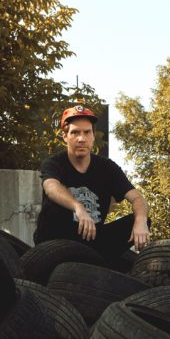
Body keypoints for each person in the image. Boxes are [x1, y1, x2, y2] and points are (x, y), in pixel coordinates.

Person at [34, 105, 150, 259]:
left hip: (91, 242)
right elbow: (51, 187)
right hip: (55, 243)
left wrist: (140, 221)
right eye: (75, 132)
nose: (81, 138)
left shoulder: (107, 168)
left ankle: (101, 267)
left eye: (87, 132)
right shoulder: (54, 163)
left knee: (143, 219)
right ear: (65, 136)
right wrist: (78, 207)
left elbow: (137, 198)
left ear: (93, 136)